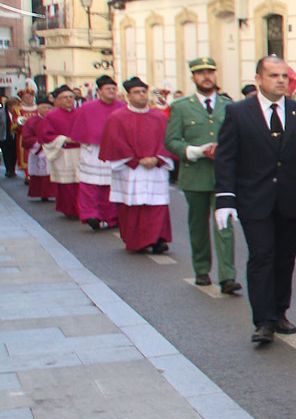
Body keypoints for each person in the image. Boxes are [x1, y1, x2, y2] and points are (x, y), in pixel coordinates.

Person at [214, 55, 296, 346]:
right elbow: (226, 159)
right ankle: (263, 320)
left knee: (285, 259)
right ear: (259, 80)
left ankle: (280, 312)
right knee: (262, 256)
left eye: (284, 76)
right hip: (255, 200)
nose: (280, 81)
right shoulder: (238, 112)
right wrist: (225, 199)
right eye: (274, 76)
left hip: (290, 198)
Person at [166, 58, 240, 294]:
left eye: (210, 72)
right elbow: (172, 140)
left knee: (224, 225)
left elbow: (239, 137)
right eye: (201, 73)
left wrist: (224, 149)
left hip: (223, 176)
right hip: (195, 174)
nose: (206, 77)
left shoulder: (229, 106)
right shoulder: (181, 106)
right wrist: (194, 151)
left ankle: (227, 276)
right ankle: (201, 269)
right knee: (198, 226)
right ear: (193, 77)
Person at [99, 77, 174, 255]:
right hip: (130, 169)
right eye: (136, 92)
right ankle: (137, 241)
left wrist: (157, 158)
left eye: (143, 92)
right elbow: (115, 143)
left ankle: (157, 239)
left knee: (157, 206)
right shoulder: (117, 118)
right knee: (133, 207)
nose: (141, 95)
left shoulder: (159, 117)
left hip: (155, 169)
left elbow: (168, 141)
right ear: (128, 96)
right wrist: (136, 160)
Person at [72, 75, 123, 231]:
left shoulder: (122, 107)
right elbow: (78, 131)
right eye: (108, 89)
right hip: (93, 152)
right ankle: (91, 215)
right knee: (90, 186)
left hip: (115, 152)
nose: (112, 91)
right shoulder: (87, 108)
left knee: (112, 186)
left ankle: (111, 217)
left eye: (114, 88)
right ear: (100, 91)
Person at [38, 87, 81, 219]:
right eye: (65, 97)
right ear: (58, 100)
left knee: (81, 183)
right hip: (63, 153)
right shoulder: (51, 116)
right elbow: (45, 136)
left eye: (71, 97)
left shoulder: (80, 113)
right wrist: (64, 139)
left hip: (80, 152)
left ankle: (81, 209)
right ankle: (69, 209)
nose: (69, 99)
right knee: (66, 185)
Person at [19, 100, 55, 202]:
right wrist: (40, 142)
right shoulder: (31, 121)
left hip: (53, 149)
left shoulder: (54, 119)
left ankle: (52, 193)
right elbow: (26, 137)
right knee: (40, 172)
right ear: (38, 108)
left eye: (49, 108)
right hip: (38, 150)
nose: (47, 110)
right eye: (44, 107)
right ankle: (41, 193)